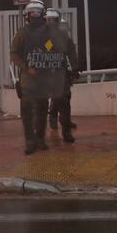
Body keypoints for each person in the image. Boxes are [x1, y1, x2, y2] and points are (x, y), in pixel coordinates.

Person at [10, 0, 69, 154]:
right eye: (32, 13)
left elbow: (60, 50)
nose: (35, 16)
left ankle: (40, 139)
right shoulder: (22, 33)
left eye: (37, 13)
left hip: (45, 79)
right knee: (27, 112)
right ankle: (30, 141)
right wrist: (25, 67)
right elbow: (14, 53)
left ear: (43, 15)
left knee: (42, 111)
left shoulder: (50, 33)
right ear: (27, 16)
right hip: (28, 80)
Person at [44, 10, 80, 143]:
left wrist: (75, 68)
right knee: (56, 97)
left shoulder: (65, 37)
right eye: (48, 20)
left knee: (64, 99)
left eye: (53, 20)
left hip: (62, 71)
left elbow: (72, 53)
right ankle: (53, 117)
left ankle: (66, 130)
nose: (50, 22)